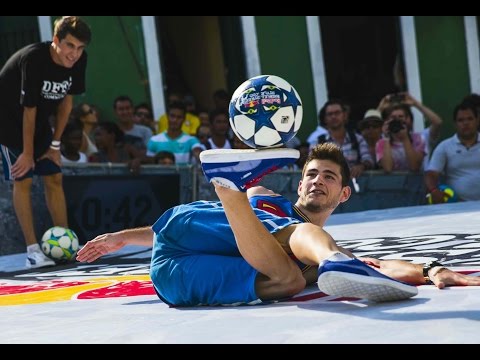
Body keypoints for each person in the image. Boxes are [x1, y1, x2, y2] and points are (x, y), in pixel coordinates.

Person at [77, 144, 480, 306]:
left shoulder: (328, 247)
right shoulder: (268, 197)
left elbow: (377, 266)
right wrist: (122, 239)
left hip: (176, 278)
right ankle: (227, 181)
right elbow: (180, 229)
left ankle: (228, 181)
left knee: (290, 280)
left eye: (329, 177)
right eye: (311, 174)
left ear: (344, 195)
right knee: (295, 234)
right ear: (299, 181)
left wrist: (431, 271)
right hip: (190, 229)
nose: (318, 180)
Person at [0, 16, 91, 268]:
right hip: (7, 122)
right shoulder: (33, 59)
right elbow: (27, 109)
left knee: (54, 177)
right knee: (24, 177)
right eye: (70, 46)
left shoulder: (78, 61)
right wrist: (27, 153)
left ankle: (65, 245)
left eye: (80, 48)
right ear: (56, 41)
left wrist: (54, 145)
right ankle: (32, 252)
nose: (75, 54)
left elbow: (67, 102)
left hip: (38, 122)